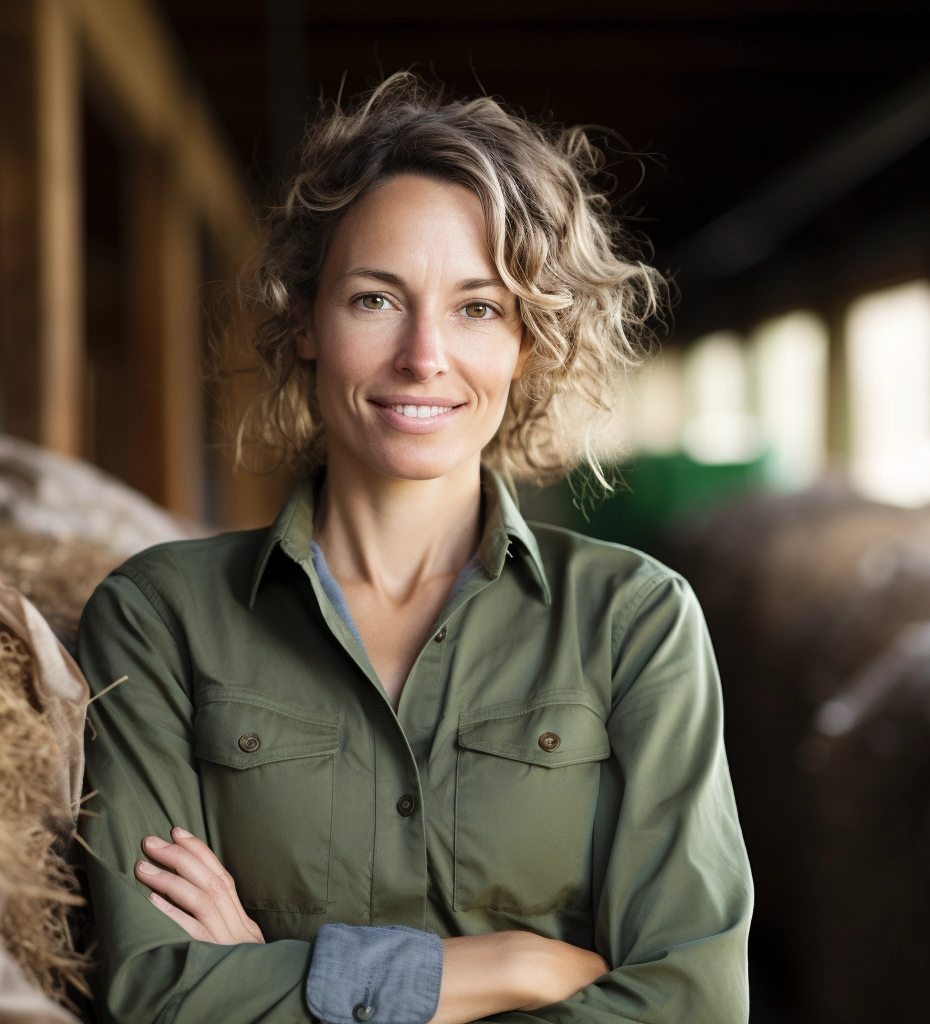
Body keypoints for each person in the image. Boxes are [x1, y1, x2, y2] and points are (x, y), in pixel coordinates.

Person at [78, 73, 752, 1024]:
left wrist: (283, 977)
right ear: (306, 322)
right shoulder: (157, 620)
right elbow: (154, 995)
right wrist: (520, 968)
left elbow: (693, 1002)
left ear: (528, 341)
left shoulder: (635, 621)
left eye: (478, 307)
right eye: (375, 300)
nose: (424, 356)